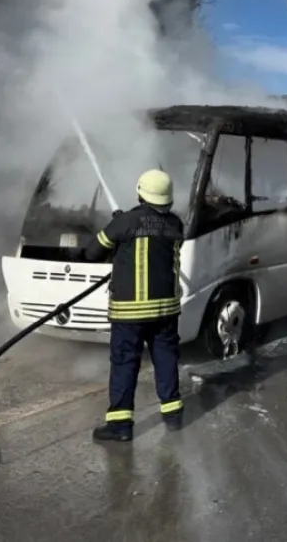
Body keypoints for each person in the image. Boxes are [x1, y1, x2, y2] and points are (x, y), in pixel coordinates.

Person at [81, 169, 186, 443]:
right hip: (166, 311)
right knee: (165, 359)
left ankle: (120, 425)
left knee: (125, 363)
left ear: (140, 192)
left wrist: (116, 228)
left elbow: (92, 253)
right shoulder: (176, 224)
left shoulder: (125, 222)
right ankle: (173, 416)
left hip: (129, 313)